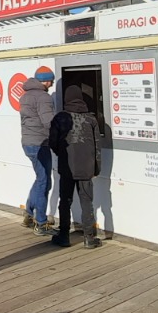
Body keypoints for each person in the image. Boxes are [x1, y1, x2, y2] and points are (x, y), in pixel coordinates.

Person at [51, 84, 103, 249]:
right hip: (86, 168)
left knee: (65, 201)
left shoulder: (60, 118)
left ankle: (64, 236)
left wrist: (62, 153)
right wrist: (97, 168)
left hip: (67, 167)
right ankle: (89, 238)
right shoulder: (91, 119)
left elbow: (52, 143)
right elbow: (97, 146)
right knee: (87, 202)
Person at [19, 66, 56, 233]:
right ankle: (40, 223)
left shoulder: (26, 95)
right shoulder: (43, 97)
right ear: (47, 81)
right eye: (52, 81)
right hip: (40, 143)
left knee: (40, 177)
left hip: (27, 142)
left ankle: (29, 213)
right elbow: (49, 122)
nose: (52, 84)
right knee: (44, 181)